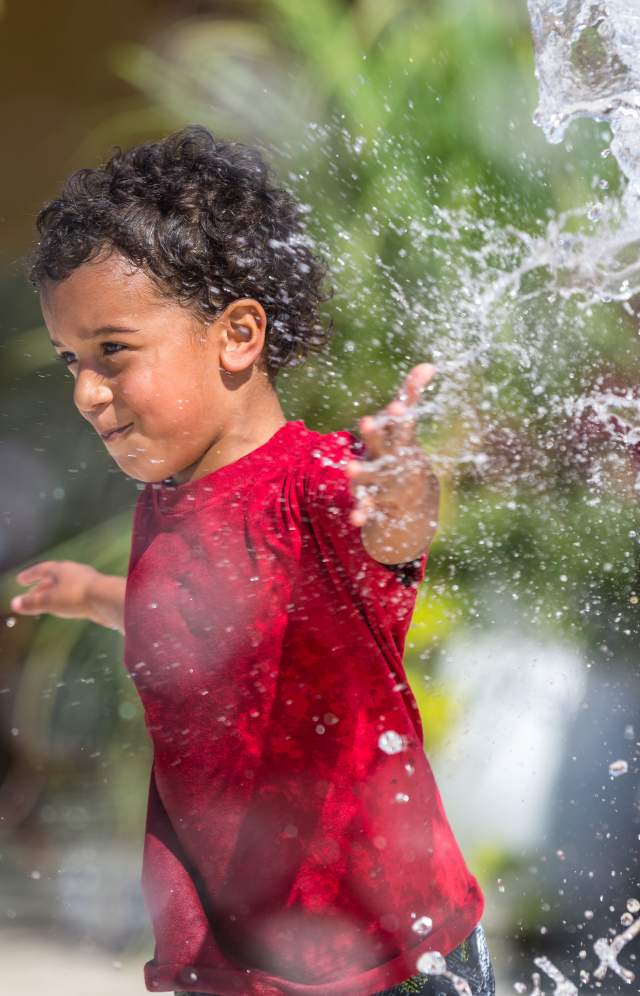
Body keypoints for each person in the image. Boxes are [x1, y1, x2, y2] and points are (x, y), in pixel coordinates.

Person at [11, 127, 492, 996]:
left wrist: (403, 492)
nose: (85, 391)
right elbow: (207, 618)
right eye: (71, 361)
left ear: (236, 336)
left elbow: (388, 539)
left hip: (379, 952)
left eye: (113, 351)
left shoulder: (314, 484)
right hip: (236, 952)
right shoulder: (169, 501)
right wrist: (93, 593)